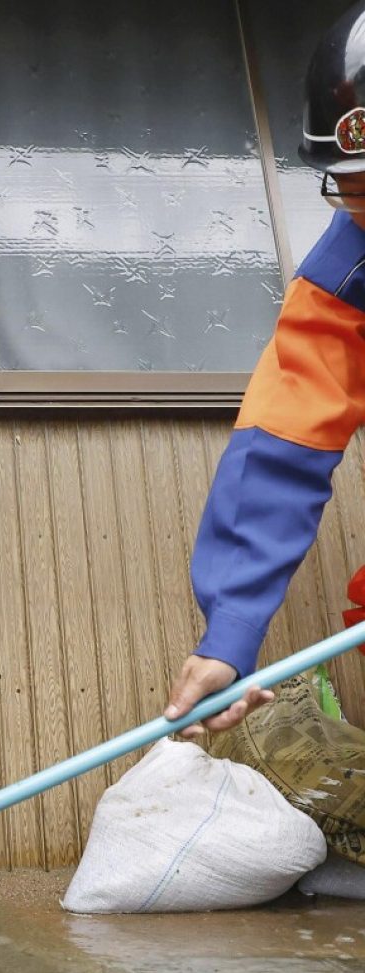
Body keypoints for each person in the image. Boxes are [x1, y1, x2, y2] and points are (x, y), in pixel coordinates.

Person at [165, 1, 365, 736]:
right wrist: (231, 632)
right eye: (346, 180)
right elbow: (282, 447)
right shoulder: (347, 280)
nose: (353, 202)